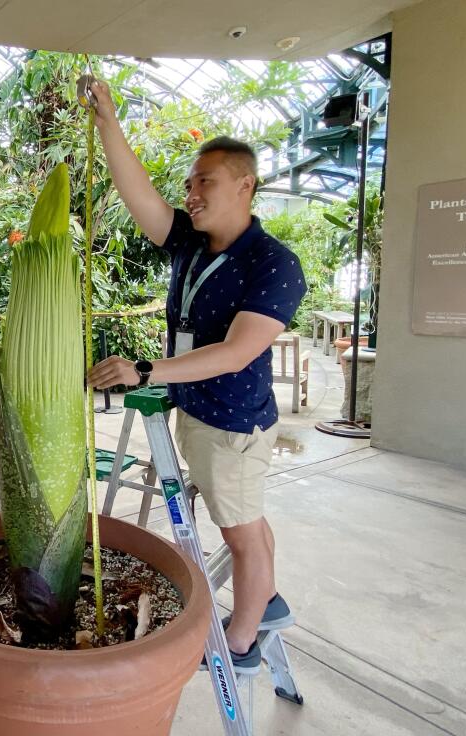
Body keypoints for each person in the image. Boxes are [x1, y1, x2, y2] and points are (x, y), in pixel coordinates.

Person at [85, 80, 306, 674]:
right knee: (245, 521)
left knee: (239, 530)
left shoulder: (274, 264)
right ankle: (266, 599)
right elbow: (140, 198)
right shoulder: (191, 242)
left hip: (231, 421)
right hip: (199, 412)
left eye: (204, 181)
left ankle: (241, 644)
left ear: (245, 185)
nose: (191, 192)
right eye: (189, 183)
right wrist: (108, 122)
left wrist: (146, 369)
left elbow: (237, 352)